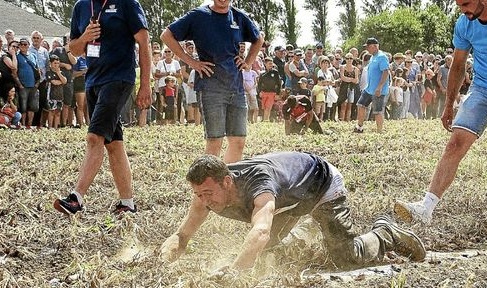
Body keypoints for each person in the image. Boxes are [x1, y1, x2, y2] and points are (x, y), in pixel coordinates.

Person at [160, 152, 426, 271]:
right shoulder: (205, 193)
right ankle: (306, 228)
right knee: (268, 254)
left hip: (321, 186)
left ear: (227, 181)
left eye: (208, 194)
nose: (204, 202)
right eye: (198, 195)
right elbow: (182, 235)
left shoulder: (259, 186)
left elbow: (261, 229)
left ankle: (385, 233)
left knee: (346, 256)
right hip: (290, 201)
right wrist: (167, 256)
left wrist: (235, 272)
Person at [394, 0, 487, 225]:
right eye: (459, 5)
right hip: (482, 89)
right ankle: (425, 209)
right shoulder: (464, 24)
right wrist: (449, 105)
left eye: (466, 4)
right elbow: (458, 65)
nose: (463, 10)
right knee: (455, 144)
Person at [53, 0, 152, 216]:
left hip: (119, 78)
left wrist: (145, 84)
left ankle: (76, 199)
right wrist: (86, 37)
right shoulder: (81, 7)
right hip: (93, 81)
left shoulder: (127, 4)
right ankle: (128, 203)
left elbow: (144, 43)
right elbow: (75, 49)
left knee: (94, 137)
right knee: (113, 143)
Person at [160, 0, 264, 163]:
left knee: (238, 141)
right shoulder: (199, 16)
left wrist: (249, 61)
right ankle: (207, 185)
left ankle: (227, 182)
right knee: (215, 141)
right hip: (211, 88)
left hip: (236, 88)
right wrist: (192, 62)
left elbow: (258, 39)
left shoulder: (238, 16)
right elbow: (166, 35)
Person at [353, 38, 389, 134]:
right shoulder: (373, 56)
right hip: (369, 88)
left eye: (368, 47)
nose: (367, 49)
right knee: (360, 105)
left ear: (375, 46)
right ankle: (359, 127)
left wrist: (380, 87)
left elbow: (386, 72)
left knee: (377, 111)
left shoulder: (382, 57)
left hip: (378, 90)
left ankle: (379, 132)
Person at [45, 54, 67, 129]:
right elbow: (54, 82)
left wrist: (58, 73)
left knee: (58, 112)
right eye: (55, 63)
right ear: (50, 63)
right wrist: (61, 81)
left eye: (58, 63)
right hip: (51, 96)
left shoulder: (61, 72)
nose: (56, 65)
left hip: (60, 96)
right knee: (51, 112)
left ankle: (56, 128)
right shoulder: (49, 72)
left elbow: (64, 81)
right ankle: (50, 127)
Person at [257, 56, 281, 122]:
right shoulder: (262, 74)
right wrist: (260, 92)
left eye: (272, 63)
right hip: (264, 92)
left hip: (272, 93)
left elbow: (279, 84)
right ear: (265, 64)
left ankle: (266, 121)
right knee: (264, 108)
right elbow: (259, 84)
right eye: (269, 63)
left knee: (268, 107)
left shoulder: (275, 72)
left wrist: (278, 94)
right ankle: (265, 120)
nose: (271, 65)